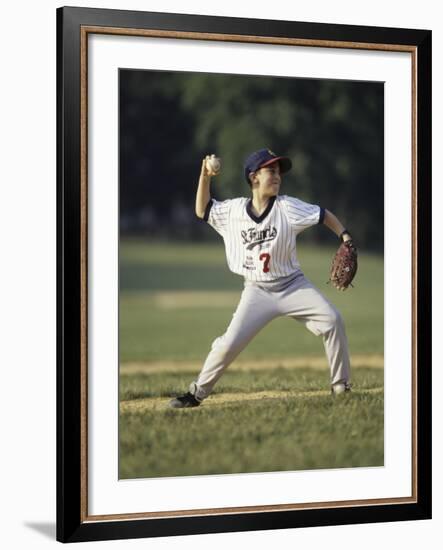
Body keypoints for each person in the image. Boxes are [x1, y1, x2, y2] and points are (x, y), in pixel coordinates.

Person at [169, 148, 353, 408]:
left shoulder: (287, 207)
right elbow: (203, 209)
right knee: (228, 343)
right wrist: (205, 175)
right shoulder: (233, 211)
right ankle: (196, 393)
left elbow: (324, 215)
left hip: (293, 285)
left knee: (333, 320)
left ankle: (341, 385)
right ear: (254, 177)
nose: (277, 176)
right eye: (271, 171)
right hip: (257, 291)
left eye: (279, 171)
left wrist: (345, 236)